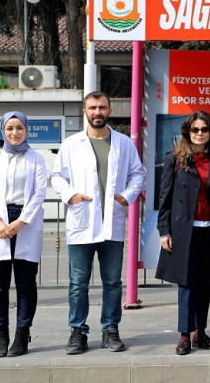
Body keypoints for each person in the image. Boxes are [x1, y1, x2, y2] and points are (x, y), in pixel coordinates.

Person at [50, 92, 145, 355]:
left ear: (110, 110)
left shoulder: (124, 143)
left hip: (111, 224)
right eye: (92, 107)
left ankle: (110, 329)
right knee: (78, 282)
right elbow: (57, 176)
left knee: (112, 281)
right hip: (82, 222)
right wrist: (71, 196)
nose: (97, 112)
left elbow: (138, 174)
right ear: (85, 111)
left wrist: (126, 197)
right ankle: (77, 331)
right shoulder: (72, 144)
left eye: (102, 107)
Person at [155, 111, 210, 355]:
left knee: (204, 285)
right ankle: (184, 335)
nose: (200, 134)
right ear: (187, 132)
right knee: (186, 285)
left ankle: (200, 332)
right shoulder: (175, 160)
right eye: (195, 129)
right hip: (183, 232)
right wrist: (164, 231)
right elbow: (164, 199)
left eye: (204, 129)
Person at [0, 113, 46, 357]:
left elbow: (39, 193)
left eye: (19, 128)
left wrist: (21, 222)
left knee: (26, 284)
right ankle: (0, 336)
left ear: (26, 129)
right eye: (9, 128)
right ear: (2, 131)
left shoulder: (36, 160)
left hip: (24, 223)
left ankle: (21, 334)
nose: (15, 133)